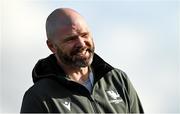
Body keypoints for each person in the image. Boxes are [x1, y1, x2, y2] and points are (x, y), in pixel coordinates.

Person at [20, 8, 144, 113]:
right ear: (52, 46)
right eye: (71, 39)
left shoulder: (118, 80)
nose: (81, 43)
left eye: (85, 35)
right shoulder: (39, 97)